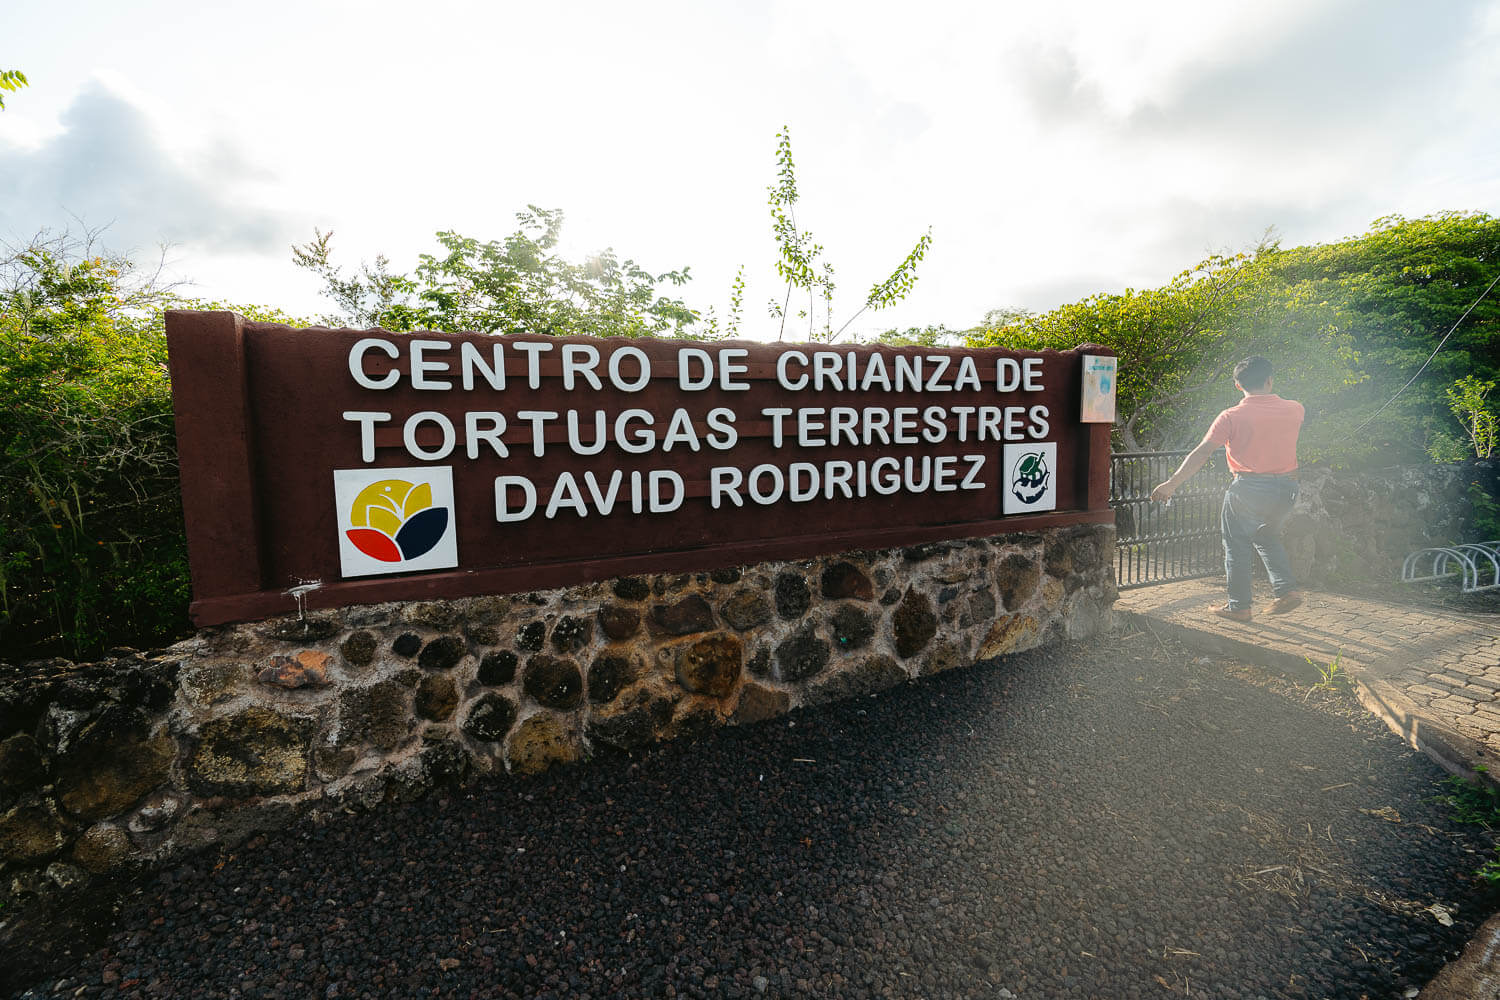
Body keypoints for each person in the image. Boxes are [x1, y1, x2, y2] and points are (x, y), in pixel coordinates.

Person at [1150, 356, 1305, 622]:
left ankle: (1239, 606)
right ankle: (1286, 591)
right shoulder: (1295, 409)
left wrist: (1172, 483)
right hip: (1286, 488)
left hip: (1249, 489)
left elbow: (1202, 452)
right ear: (1270, 380)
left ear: (1237, 385)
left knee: (1236, 546)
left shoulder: (1231, 417)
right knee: (1266, 537)